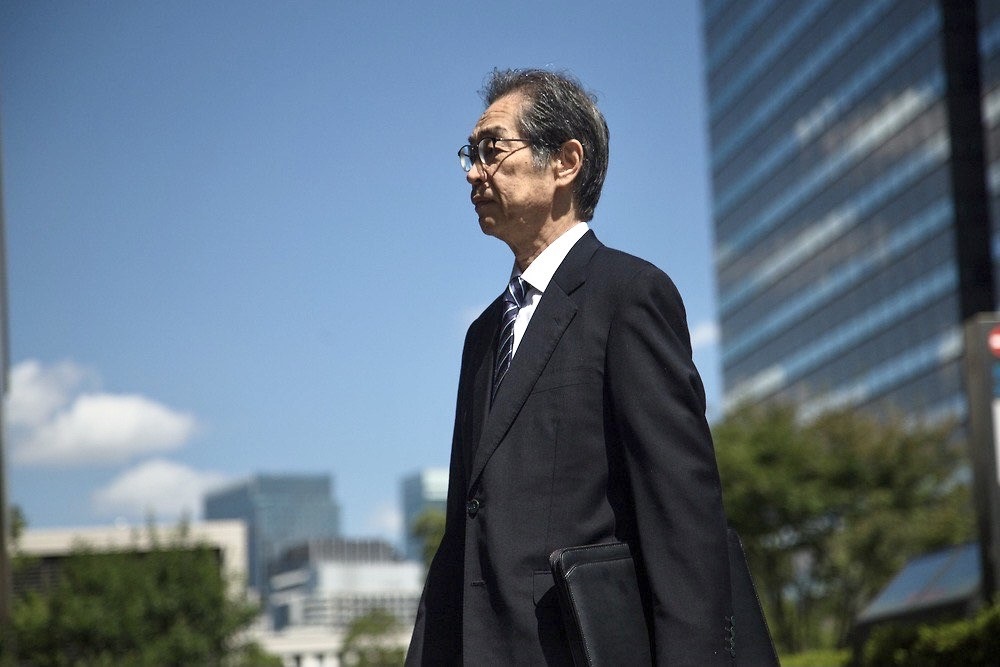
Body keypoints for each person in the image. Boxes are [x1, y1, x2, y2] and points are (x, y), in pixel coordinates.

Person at [406, 68, 734, 666]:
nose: (475, 173)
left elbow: (682, 519)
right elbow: (464, 526)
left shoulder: (629, 294)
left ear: (565, 161)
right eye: (469, 156)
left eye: (491, 150)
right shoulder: (484, 335)